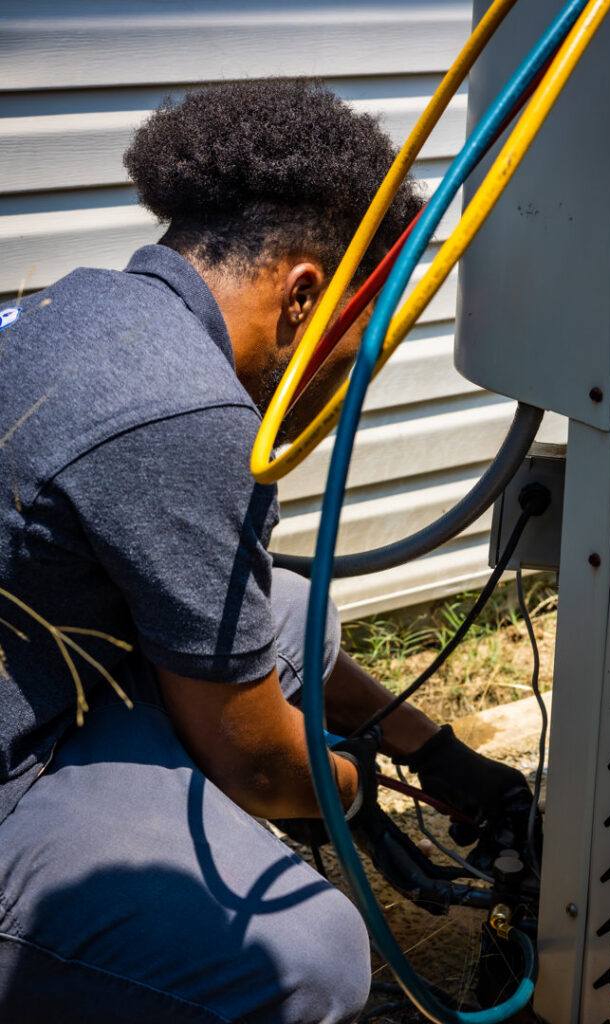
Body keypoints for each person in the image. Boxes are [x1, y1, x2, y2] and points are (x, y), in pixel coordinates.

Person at [0, 79, 535, 1024]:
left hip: (31, 680)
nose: (345, 372)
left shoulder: (78, 308)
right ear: (303, 295)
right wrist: (349, 791)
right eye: (352, 343)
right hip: (16, 767)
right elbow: (253, 763)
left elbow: (247, 632)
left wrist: (435, 758)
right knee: (309, 957)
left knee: (288, 609)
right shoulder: (185, 412)